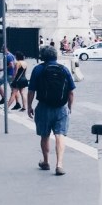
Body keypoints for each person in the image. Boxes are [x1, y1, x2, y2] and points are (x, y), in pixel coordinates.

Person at [26, 45, 76, 175]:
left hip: (44, 107)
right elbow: (71, 92)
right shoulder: (64, 69)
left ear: (42, 56)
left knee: (45, 135)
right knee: (60, 135)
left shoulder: (38, 69)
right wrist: (69, 107)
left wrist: (29, 106)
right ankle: (59, 164)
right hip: (61, 108)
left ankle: (46, 161)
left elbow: (31, 91)